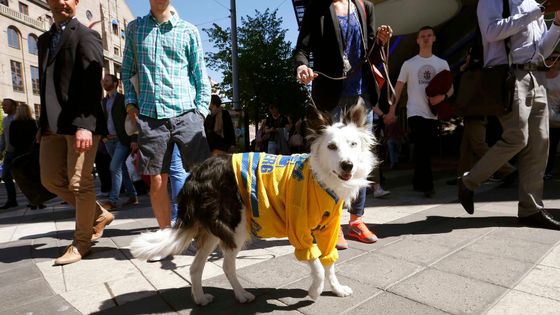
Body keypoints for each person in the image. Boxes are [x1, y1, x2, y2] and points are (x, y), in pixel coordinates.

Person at [295, 0, 391, 248]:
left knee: (360, 159)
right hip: (330, 95)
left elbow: (370, 48)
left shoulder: (364, 7)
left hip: (362, 95)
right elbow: (301, 49)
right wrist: (303, 66)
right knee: (329, 161)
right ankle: (331, 223)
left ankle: (357, 221)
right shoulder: (317, 7)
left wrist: (380, 40)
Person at [457, 0, 560, 230]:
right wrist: (540, 11)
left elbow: (542, 50)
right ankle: (468, 181)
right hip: (508, 77)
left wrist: (557, 26)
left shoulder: (533, 3)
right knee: (517, 137)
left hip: (537, 76)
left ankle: (530, 209)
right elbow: (492, 32)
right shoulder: (492, 1)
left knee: (540, 143)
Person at [121, 0, 212, 260]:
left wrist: (201, 112)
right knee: (157, 180)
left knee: (202, 177)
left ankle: (203, 232)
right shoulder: (135, 29)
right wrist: (130, 103)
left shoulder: (188, 30)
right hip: (150, 116)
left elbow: (199, 73)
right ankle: (166, 238)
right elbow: (128, 70)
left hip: (187, 114)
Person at [37, 0, 112, 265]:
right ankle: (99, 214)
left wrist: (85, 124)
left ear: (76, 1)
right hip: (51, 125)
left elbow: (92, 83)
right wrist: (42, 124)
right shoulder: (44, 40)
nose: (61, 2)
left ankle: (82, 243)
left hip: (81, 123)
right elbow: (46, 84)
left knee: (80, 183)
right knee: (50, 180)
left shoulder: (86, 35)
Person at [385, 26, 453, 198]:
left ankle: (418, 181)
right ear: (417, 40)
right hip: (414, 112)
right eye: (422, 36)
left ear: (434, 39)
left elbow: (450, 88)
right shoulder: (409, 64)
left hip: (433, 112)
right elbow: (398, 89)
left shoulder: (441, 63)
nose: (425, 38)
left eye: (429, 35)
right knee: (423, 146)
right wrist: (392, 110)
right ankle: (427, 186)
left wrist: (442, 97)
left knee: (425, 148)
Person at [100, 74, 138, 210]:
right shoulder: (103, 102)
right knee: (121, 168)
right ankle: (133, 195)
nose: (104, 82)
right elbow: (101, 121)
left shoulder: (123, 99)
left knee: (114, 167)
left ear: (115, 83)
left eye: (107, 80)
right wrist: (103, 137)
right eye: (103, 81)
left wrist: (134, 139)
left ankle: (113, 200)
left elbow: (133, 120)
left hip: (122, 139)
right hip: (108, 141)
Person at [8, 104, 45, 209]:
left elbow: (12, 141)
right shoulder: (33, 123)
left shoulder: (13, 124)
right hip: (32, 154)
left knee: (25, 179)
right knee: (36, 177)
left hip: (19, 154)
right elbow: (37, 138)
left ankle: (32, 201)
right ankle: (41, 201)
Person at [0, 98, 18, 209]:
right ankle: (12, 201)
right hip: (9, 152)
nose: (3, 107)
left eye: (5, 105)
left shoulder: (19, 118)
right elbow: (3, 136)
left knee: (26, 176)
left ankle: (37, 200)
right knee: (6, 176)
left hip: (20, 152)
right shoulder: (5, 120)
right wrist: (1, 150)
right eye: (2, 105)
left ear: (13, 106)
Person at [545, 53, 560, 180]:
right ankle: (546, 171)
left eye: (558, 59)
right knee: (548, 146)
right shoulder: (539, 76)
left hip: (557, 117)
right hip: (543, 117)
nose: (554, 61)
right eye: (551, 58)